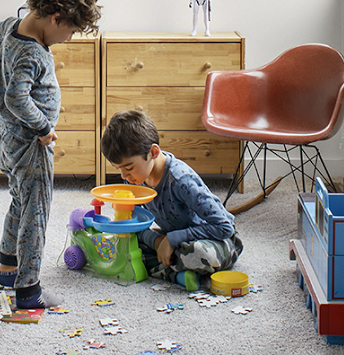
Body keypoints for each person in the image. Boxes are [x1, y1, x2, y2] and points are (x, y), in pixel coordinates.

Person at [0, 0, 101, 309]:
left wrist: (2, 39)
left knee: (20, 201)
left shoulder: (13, 29)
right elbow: (16, 99)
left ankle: (7, 267)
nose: (69, 38)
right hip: (30, 144)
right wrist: (44, 128)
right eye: (70, 31)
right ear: (54, 17)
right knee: (36, 212)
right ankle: (28, 290)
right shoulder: (32, 53)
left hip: (7, 138)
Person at [100, 109, 242, 291]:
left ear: (153, 152)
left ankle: (170, 270)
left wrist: (173, 239)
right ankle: (179, 273)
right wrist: (157, 241)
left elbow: (224, 227)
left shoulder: (181, 180)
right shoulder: (135, 178)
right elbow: (135, 222)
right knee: (121, 243)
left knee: (198, 254)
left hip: (216, 240)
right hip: (172, 238)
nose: (124, 176)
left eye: (128, 167)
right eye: (118, 168)